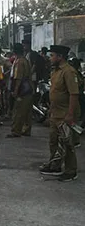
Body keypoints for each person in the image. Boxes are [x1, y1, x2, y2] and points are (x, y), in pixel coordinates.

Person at [39, 45, 79, 182]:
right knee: (53, 141)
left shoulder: (68, 72)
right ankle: (55, 165)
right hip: (55, 113)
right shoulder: (55, 71)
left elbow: (74, 94)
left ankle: (70, 171)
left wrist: (70, 114)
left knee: (67, 143)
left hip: (64, 113)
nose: (50, 58)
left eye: (52, 56)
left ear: (60, 57)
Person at [6, 43, 33, 138]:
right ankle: (26, 129)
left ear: (14, 51)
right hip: (28, 89)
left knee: (18, 111)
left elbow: (18, 78)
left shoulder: (19, 62)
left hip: (22, 90)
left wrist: (15, 91)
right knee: (27, 111)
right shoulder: (24, 60)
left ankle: (16, 130)